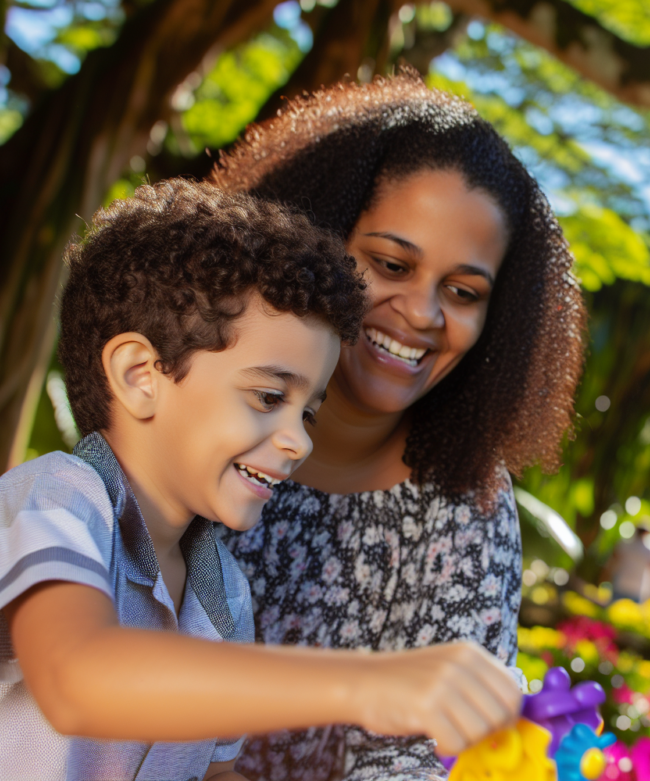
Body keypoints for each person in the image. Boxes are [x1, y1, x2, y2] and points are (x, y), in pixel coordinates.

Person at [0, 181, 522, 780]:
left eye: (310, 409)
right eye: (269, 396)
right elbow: (77, 680)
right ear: (139, 375)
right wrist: (372, 684)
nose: (298, 439)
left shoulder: (224, 598)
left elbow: (210, 772)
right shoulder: (54, 501)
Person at [209, 73, 586, 779]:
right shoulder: (198, 427)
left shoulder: (465, 505)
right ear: (312, 238)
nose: (421, 313)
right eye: (389, 263)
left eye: (464, 292)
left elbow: (421, 757)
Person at [604, 522, 650, 603]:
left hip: (621, 586)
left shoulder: (624, 544)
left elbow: (612, 563)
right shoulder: (648, 551)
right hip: (636, 590)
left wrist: (606, 578)